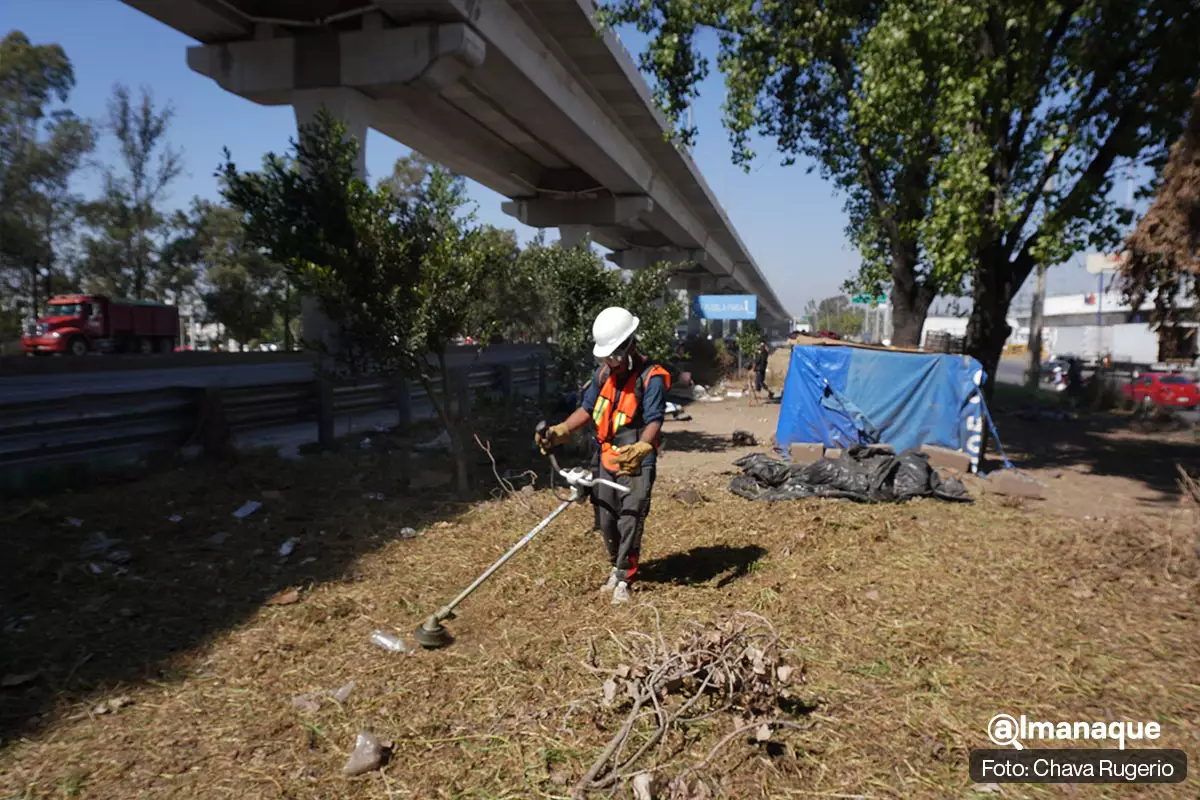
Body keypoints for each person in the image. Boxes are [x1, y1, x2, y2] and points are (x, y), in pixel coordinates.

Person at [534, 307, 671, 605]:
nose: (611, 362)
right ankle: (615, 564)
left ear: (630, 344)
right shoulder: (603, 375)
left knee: (630, 517)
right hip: (606, 457)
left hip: (635, 457)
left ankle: (624, 576)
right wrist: (560, 431)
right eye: (605, 357)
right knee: (606, 519)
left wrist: (643, 447)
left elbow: (654, 421)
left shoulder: (652, 378)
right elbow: (586, 410)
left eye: (615, 356)